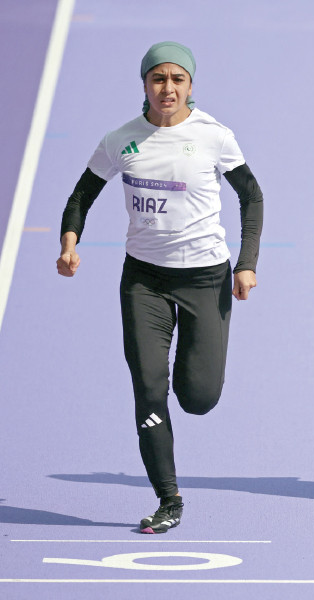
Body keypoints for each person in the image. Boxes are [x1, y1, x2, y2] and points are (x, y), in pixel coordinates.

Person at [57, 41, 264, 531]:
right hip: (144, 281)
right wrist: (69, 244)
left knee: (197, 398)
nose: (167, 88)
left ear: (191, 85)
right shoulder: (121, 140)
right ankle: (169, 498)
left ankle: (194, 391)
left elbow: (252, 197)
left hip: (205, 278)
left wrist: (246, 263)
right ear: (144, 83)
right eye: (158, 79)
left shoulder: (214, 136)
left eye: (177, 79)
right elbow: (81, 195)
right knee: (149, 387)